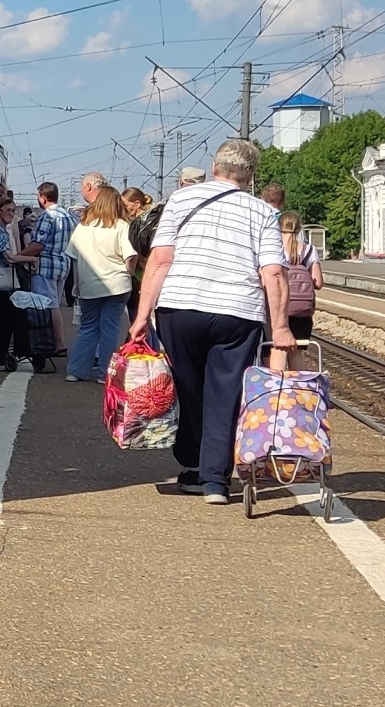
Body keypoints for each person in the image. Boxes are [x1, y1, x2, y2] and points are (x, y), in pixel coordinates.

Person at [127, 138, 295, 503]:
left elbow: (158, 261)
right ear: (250, 176)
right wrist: (280, 327)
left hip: (180, 309)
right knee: (225, 392)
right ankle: (215, 481)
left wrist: (142, 315)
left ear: (215, 167)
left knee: (187, 389)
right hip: (237, 312)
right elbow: (274, 273)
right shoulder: (262, 212)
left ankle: (190, 469)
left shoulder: (180, 200)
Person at [66, 187, 134, 382]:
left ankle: (76, 370)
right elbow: (130, 256)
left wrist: (76, 284)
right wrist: (129, 273)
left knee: (88, 328)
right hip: (117, 285)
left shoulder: (83, 227)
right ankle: (106, 373)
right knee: (110, 328)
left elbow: (76, 258)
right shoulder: (121, 226)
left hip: (89, 285)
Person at [0, 192, 39, 371]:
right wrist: (31, 259)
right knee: (2, 320)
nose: (12, 214)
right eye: (8, 210)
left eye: (13, 211)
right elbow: (9, 258)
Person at [121, 186, 160, 320]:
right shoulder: (153, 220)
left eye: (125, 205)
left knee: (139, 318)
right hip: (150, 273)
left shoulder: (139, 224)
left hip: (141, 275)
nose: (123, 209)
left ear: (137, 204)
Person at [280, 211, 321, 340]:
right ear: (299, 229)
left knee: (277, 352)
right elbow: (318, 283)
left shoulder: (274, 249)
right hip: (302, 312)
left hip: (279, 311)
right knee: (297, 353)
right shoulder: (310, 250)